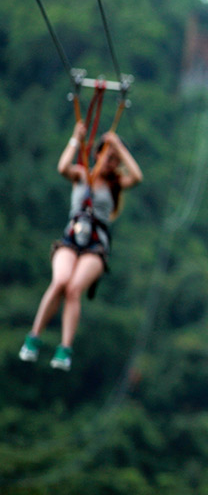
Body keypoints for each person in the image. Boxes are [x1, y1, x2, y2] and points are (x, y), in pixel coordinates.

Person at [19, 120, 143, 372]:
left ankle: (65, 349)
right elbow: (62, 166)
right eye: (108, 157)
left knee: (74, 288)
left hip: (96, 245)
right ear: (97, 155)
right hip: (72, 238)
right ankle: (34, 337)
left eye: (115, 159)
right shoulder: (81, 175)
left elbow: (138, 177)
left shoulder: (115, 184)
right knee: (61, 282)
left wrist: (118, 146)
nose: (112, 162)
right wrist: (75, 138)